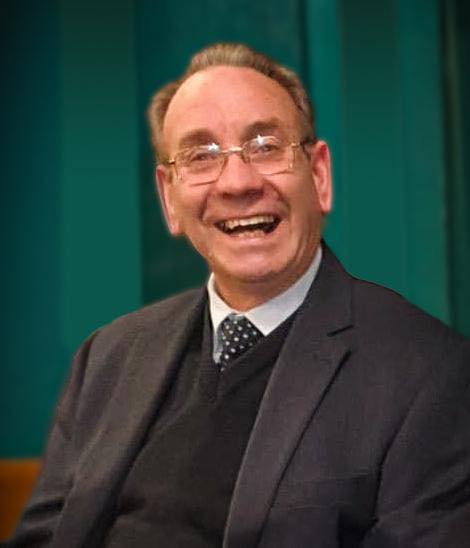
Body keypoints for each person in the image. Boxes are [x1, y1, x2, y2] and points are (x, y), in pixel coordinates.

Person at [9, 43, 470, 548]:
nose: (237, 183)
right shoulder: (107, 357)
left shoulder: (430, 375)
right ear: (169, 198)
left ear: (319, 175)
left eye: (266, 146)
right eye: (201, 156)